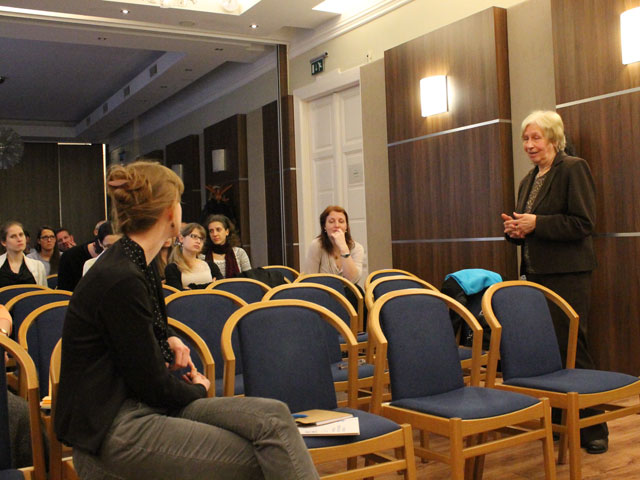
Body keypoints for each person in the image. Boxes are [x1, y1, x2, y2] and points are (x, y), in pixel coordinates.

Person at [54, 160, 318, 480]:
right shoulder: (121, 276)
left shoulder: (136, 261)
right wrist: (198, 389)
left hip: (138, 405)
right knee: (269, 456)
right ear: (170, 212)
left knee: (274, 417)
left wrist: (168, 337)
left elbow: (138, 327)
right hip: (113, 426)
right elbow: (153, 385)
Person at [501, 110, 607, 454]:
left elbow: (583, 223)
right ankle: (563, 422)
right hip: (536, 276)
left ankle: (593, 428)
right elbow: (530, 226)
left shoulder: (573, 168)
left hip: (568, 276)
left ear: (553, 138)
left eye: (536, 137)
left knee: (574, 348)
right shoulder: (528, 180)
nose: (529, 145)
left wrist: (537, 224)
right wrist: (515, 231)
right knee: (551, 352)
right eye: (525, 139)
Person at [303, 206, 366, 285]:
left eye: (341, 221)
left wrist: (343, 248)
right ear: (324, 226)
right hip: (322, 290)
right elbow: (310, 280)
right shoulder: (316, 245)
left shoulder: (357, 248)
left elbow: (353, 280)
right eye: (331, 222)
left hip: (348, 291)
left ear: (346, 226)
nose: (337, 225)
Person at [58, 223, 118, 291]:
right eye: (108, 246)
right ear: (100, 243)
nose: (114, 250)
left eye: (118, 245)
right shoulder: (90, 264)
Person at [165, 223, 222, 290]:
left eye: (201, 239)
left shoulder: (211, 266)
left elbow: (222, 287)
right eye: (194, 236)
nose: (198, 241)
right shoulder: (172, 268)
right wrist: (211, 285)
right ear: (181, 238)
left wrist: (192, 287)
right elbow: (179, 294)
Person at [0, 221, 47, 288]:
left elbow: (44, 292)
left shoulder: (38, 266)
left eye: (21, 235)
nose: (19, 239)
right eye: (13, 236)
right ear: (4, 242)